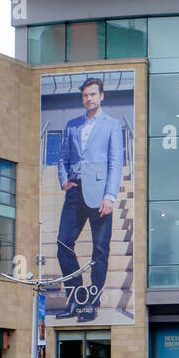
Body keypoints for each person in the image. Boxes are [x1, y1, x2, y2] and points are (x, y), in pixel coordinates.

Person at [54, 77, 126, 323]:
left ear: (101, 96)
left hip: (100, 195)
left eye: (93, 94)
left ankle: (91, 304)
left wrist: (110, 195)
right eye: (85, 95)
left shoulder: (112, 125)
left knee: (100, 250)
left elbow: (116, 162)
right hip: (75, 191)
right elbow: (63, 157)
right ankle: (76, 297)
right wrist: (64, 181)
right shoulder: (72, 125)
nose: (89, 99)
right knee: (63, 244)